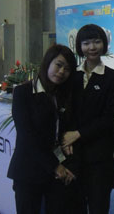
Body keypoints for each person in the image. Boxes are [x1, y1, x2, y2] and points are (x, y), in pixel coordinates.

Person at [7, 44, 77, 214]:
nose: (61, 72)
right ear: (47, 62)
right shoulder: (23, 92)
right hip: (29, 169)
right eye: (58, 65)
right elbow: (27, 136)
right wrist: (55, 166)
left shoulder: (64, 94)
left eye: (67, 69)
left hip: (57, 173)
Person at [61, 24, 114, 214]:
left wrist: (77, 134)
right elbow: (65, 112)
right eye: (86, 43)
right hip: (73, 155)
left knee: (98, 207)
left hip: (100, 157)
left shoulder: (113, 78)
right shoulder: (71, 76)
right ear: (79, 46)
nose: (92, 47)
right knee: (74, 206)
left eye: (97, 42)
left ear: (104, 44)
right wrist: (66, 138)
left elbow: (110, 119)